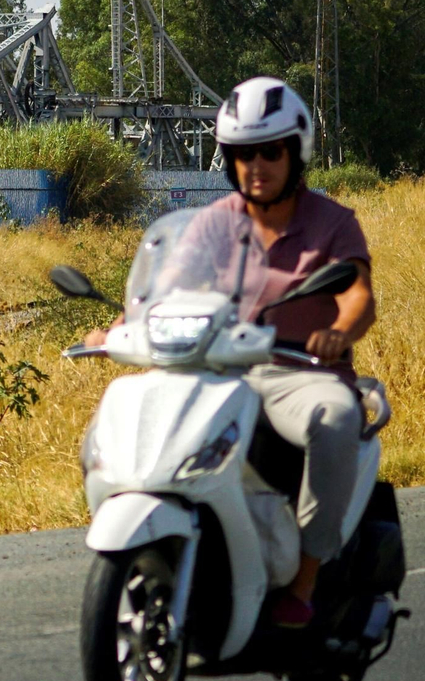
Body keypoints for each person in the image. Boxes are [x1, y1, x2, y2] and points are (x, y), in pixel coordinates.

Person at [86, 77, 376, 628]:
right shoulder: (214, 222)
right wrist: (117, 329)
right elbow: (164, 287)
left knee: (335, 420)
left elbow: (358, 294)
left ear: (296, 152)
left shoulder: (332, 223)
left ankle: (305, 578)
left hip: (296, 371)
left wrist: (340, 330)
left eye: (270, 151)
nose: (256, 165)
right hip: (216, 366)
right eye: (242, 153)